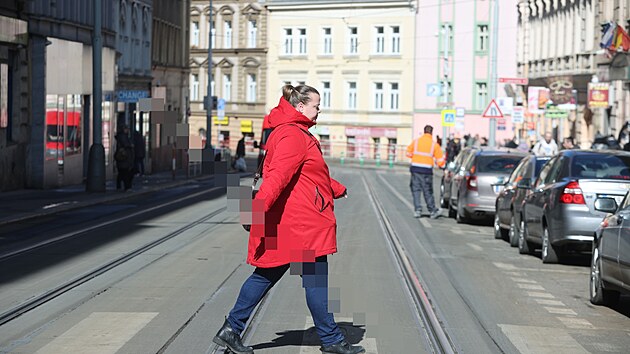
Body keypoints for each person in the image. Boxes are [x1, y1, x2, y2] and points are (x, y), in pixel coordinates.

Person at [213, 84, 365, 354]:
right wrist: (255, 210)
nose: (320, 110)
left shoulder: (293, 133)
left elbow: (309, 175)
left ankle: (232, 329)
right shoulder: (294, 136)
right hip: (300, 225)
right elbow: (277, 179)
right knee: (315, 281)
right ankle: (330, 339)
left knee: (265, 276)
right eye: (317, 105)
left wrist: (336, 189)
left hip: (292, 222)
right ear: (300, 107)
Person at [406, 125, 446, 219]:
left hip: (415, 169)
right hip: (426, 170)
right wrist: (443, 166)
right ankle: (432, 211)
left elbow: (408, 153)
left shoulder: (416, 142)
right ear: (431, 133)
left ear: (424, 131)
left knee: (416, 189)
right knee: (427, 190)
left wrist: (415, 157)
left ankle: (417, 210)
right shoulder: (434, 145)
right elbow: (440, 161)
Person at [114, 125, 135, 191]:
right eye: (127, 129)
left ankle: (120, 186)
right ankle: (127, 187)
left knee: (122, 173)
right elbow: (125, 144)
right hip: (124, 158)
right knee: (126, 173)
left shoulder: (124, 136)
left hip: (124, 159)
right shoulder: (123, 137)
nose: (128, 130)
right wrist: (130, 145)